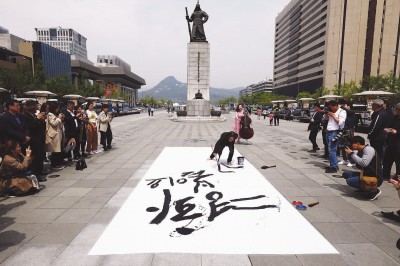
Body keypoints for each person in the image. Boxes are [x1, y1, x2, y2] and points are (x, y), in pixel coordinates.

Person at [342, 136, 383, 200]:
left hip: (375, 178)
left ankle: (373, 191)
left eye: (352, 143)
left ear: (357, 143)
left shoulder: (369, 149)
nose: (351, 145)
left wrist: (352, 154)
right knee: (346, 174)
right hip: (366, 174)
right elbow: (353, 162)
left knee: (350, 181)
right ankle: (364, 188)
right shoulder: (360, 150)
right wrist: (349, 154)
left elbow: (364, 163)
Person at [23, 100, 47, 181]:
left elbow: (39, 125)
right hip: (33, 139)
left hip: (39, 138)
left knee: (40, 156)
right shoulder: (25, 116)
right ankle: (35, 174)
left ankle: (39, 171)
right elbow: (31, 126)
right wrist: (37, 119)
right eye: (34, 107)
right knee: (35, 157)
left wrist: (41, 120)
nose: (36, 109)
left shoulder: (33, 115)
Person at [324, 100, 347, 173]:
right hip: (329, 132)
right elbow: (326, 119)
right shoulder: (331, 111)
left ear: (335, 106)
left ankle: (334, 167)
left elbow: (340, 122)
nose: (330, 108)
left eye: (331, 107)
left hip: (335, 132)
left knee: (332, 150)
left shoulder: (342, 112)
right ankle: (332, 165)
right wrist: (327, 114)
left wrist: (333, 115)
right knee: (330, 149)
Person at [383, 103, 400, 180]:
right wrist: (388, 129)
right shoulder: (394, 117)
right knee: (387, 159)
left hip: (398, 143)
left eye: (398, 110)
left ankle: (397, 177)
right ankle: (385, 175)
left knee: (398, 161)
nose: (396, 111)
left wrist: (397, 132)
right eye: (396, 109)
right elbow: (390, 125)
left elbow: (396, 131)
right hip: (391, 142)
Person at [45, 103, 65, 170]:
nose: (58, 109)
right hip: (54, 134)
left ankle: (58, 163)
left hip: (59, 133)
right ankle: (54, 164)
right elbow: (53, 123)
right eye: (57, 108)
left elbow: (59, 123)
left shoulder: (55, 115)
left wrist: (61, 119)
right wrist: (59, 118)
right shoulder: (50, 114)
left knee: (58, 149)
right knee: (55, 150)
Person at [338, 99, 356, 167]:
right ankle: (345, 159)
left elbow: (347, 111)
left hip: (349, 130)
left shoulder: (351, 112)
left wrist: (342, 106)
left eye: (345, 105)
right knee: (343, 145)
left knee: (349, 145)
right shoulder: (344, 112)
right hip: (343, 129)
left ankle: (352, 161)